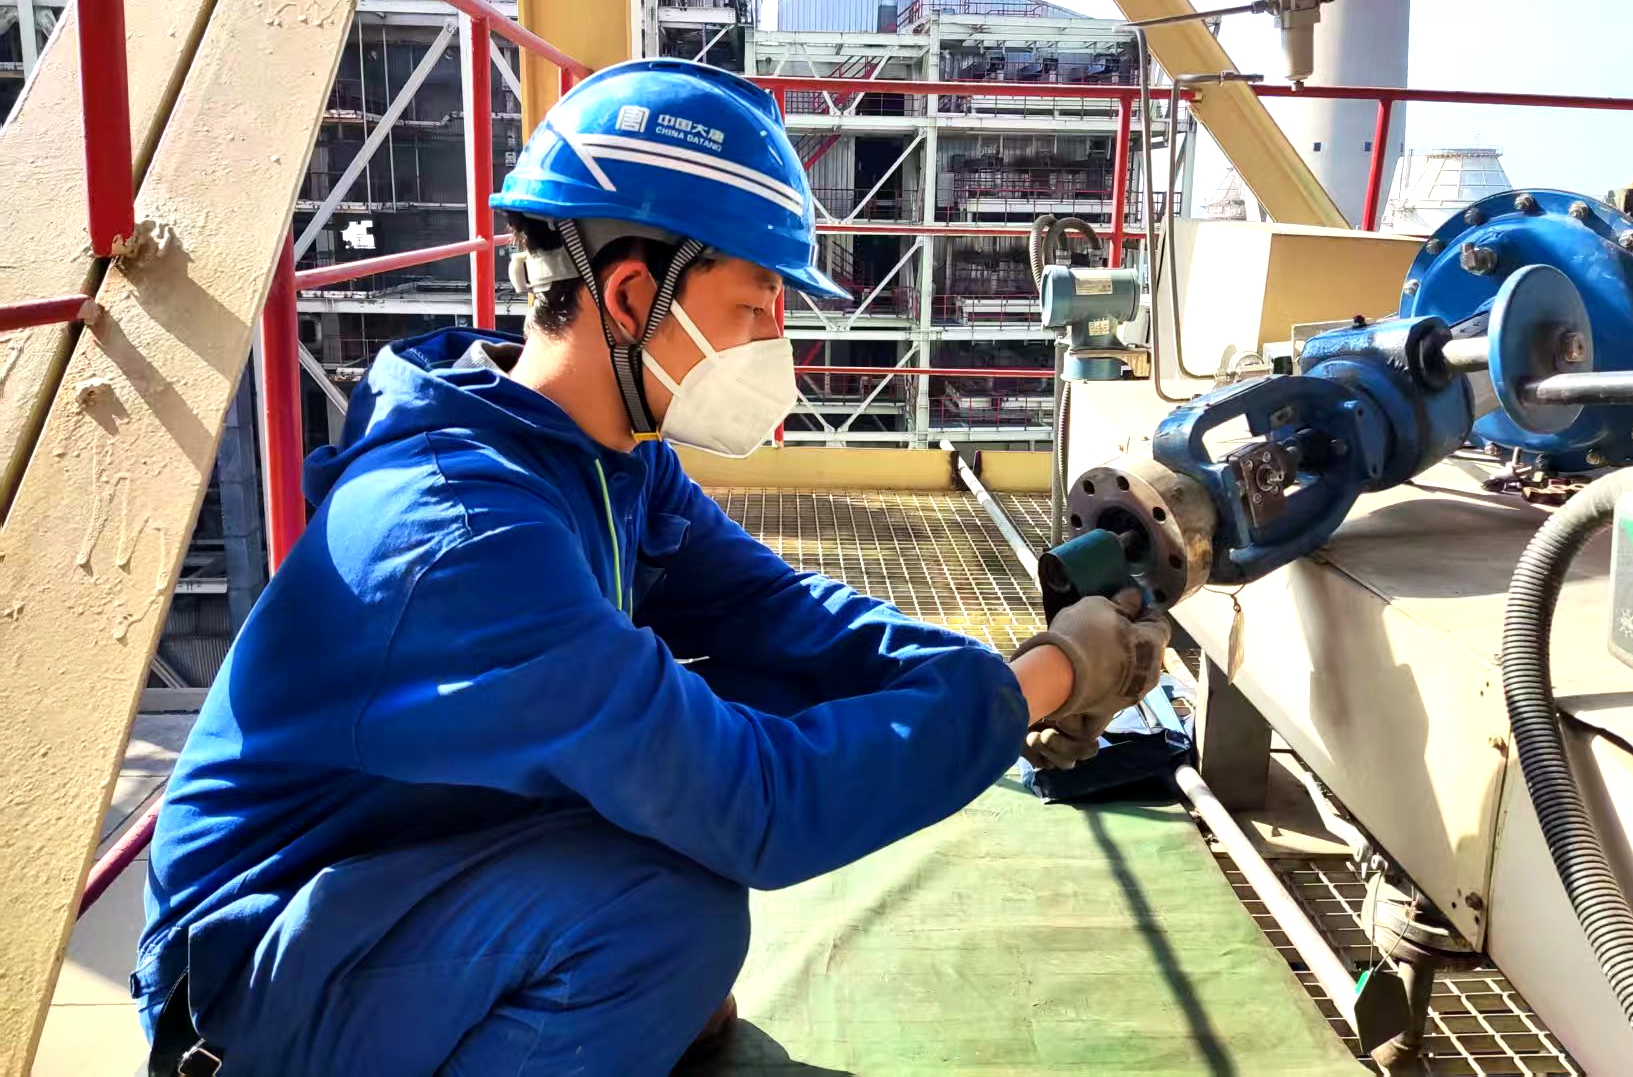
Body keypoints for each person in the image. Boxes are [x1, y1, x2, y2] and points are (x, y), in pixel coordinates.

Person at [134, 59, 1167, 1076]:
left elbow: (785, 616)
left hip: (393, 860)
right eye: (757, 305)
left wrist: (981, 677)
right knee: (668, 914)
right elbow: (759, 805)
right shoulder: (464, 532)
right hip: (250, 972)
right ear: (631, 296)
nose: (779, 340)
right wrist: (1049, 679)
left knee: (729, 727)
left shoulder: (600, 458)